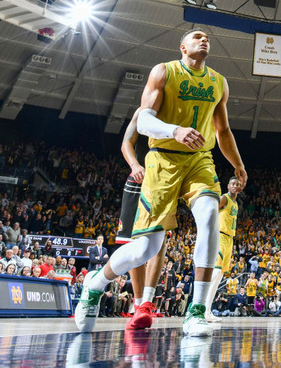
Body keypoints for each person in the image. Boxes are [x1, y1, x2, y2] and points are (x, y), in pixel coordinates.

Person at [73, 29, 247, 338]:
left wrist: (238, 165)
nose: (204, 39)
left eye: (207, 37)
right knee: (145, 248)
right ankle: (95, 284)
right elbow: (143, 121)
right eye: (197, 36)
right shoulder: (164, 71)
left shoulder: (219, 82)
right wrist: (175, 130)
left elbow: (223, 131)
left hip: (200, 159)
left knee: (208, 216)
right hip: (162, 159)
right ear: (183, 46)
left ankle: (195, 312)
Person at [117, 108, 170, 330]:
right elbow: (126, 143)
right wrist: (135, 165)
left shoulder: (178, 111)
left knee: (159, 244)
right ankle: (138, 303)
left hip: (163, 183)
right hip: (139, 182)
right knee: (133, 244)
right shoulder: (143, 112)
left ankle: (147, 302)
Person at [202, 176, 242, 322]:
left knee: (219, 276)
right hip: (219, 236)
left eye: (238, 184)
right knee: (215, 272)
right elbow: (211, 209)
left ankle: (207, 310)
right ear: (228, 186)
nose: (235, 186)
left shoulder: (236, 203)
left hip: (229, 239)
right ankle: (200, 307)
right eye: (233, 184)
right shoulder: (224, 198)